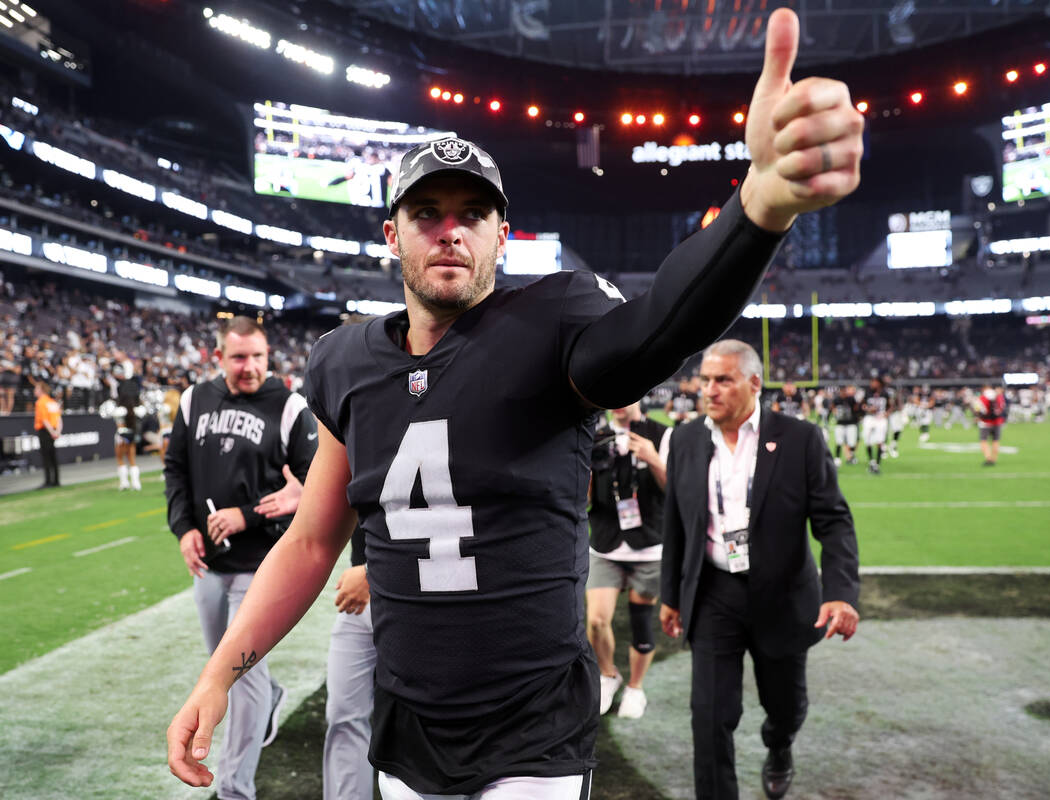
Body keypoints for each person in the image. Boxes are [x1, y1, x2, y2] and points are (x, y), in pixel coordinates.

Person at [168, 10, 864, 798]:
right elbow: (309, 542)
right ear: (390, 234)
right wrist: (219, 675)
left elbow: (656, 329)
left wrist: (758, 208)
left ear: (504, 234)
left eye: (473, 215)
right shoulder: (345, 360)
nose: (450, 233)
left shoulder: (554, 321)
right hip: (408, 733)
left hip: (531, 738)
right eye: (427, 215)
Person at [659, 340, 860, 800]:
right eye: (705, 380)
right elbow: (676, 522)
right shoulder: (686, 438)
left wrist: (841, 591)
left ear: (754, 383)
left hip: (783, 595)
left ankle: (780, 744)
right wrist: (671, 594)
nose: (709, 390)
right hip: (713, 594)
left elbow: (833, 521)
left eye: (723, 380)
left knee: (785, 707)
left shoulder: (800, 438)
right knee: (709, 717)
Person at [163, 316, 318, 800]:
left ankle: (235, 789)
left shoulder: (291, 408)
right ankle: (271, 698)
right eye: (239, 357)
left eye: (257, 357)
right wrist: (183, 528)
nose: (249, 367)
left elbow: (314, 489)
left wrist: (249, 515)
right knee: (219, 668)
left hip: (264, 565)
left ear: (268, 356)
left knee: (241, 675)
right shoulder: (194, 400)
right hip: (210, 564)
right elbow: (175, 469)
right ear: (218, 358)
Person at [587, 402, 670, 720]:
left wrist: (652, 459)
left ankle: (636, 687)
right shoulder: (594, 435)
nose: (620, 403)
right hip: (606, 544)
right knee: (596, 621)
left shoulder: (662, 435)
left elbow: (675, 491)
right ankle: (608, 675)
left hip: (649, 545)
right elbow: (585, 500)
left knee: (641, 624)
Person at [323, 526, 376, 800]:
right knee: (343, 714)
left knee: (428, 722)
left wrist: (373, 572)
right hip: (359, 600)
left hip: (428, 598)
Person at [33, 381, 62, 488]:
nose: (34, 391)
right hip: (53, 431)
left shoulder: (40, 402)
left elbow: (44, 420)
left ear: (41, 390)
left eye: (36, 389)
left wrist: (52, 432)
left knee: (46, 457)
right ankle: (56, 480)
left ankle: (48, 481)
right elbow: (59, 419)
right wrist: (57, 432)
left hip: (45, 431)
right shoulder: (53, 402)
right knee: (53, 456)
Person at [861, 377, 889, 474]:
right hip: (870, 417)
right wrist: (868, 409)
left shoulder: (885, 393)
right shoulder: (867, 392)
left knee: (880, 441)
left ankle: (877, 463)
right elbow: (862, 405)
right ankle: (872, 461)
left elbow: (891, 406)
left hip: (881, 419)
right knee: (867, 440)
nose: (872, 384)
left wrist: (886, 414)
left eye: (874, 382)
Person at [975, 383, 1006, 466]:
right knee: (995, 441)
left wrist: (977, 417)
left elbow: (978, 409)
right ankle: (994, 459)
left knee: (983, 441)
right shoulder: (999, 397)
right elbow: (1002, 408)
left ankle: (988, 458)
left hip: (985, 423)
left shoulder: (982, 398)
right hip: (997, 422)